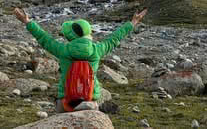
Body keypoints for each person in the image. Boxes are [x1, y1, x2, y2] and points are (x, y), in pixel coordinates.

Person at [14, 7, 148, 113]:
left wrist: (27, 21)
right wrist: (133, 22)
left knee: (60, 112)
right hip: (90, 98)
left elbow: (44, 38)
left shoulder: (63, 50)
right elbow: (115, 38)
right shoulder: (97, 50)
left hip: (66, 101)